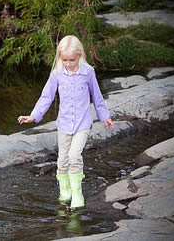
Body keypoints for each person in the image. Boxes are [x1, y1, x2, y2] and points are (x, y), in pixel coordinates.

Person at [17, 35, 114, 208]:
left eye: (72, 60)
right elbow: (46, 97)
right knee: (62, 159)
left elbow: (97, 97)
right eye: (65, 60)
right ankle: (65, 189)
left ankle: (77, 193)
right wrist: (34, 115)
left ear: (80, 55)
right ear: (60, 57)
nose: (68, 63)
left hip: (83, 123)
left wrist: (104, 116)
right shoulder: (57, 74)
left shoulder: (88, 72)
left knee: (74, 156)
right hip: (64, 123)